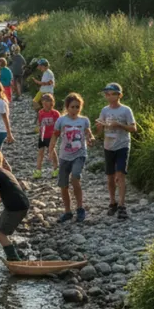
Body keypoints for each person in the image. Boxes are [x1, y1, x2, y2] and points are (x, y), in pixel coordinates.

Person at [49, 92, 95, 222]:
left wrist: (91, 139)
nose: (75, 109)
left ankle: (80, 208)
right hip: (64, 155)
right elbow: (55, 135)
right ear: (67, 107)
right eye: (72, 107)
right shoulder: (61, 120)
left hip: (79, 154)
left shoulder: (84, 120)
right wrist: (51, 149)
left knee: (75, 177)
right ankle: (67, 211)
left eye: (77, 107)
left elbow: (88, 134)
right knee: (63, 185)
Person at [95, 82, 138, 220]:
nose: (108, 96)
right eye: (106, 93)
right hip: (108, 146)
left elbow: (133, 128)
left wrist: (119, 124)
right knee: (110, 176)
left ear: (119, 95)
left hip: (122, 145)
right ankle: (112, 202)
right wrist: (99, 127)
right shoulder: (104, 110)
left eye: (111, 93)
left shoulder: (126, 110)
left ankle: (122, 205)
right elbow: (100, 131)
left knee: (120, 174)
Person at [33, 93, 60, 179]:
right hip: (42, 135)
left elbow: (58, 125)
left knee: (52, 151)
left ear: (52, 103)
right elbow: (40, 123)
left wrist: (56, 134)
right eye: (43, 103)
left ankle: (56, 168)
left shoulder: (55, 113)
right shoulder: (41, 113)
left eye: (47, 103)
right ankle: (38, 170)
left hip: (51, 136)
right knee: (41, 152)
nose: (45, 105)